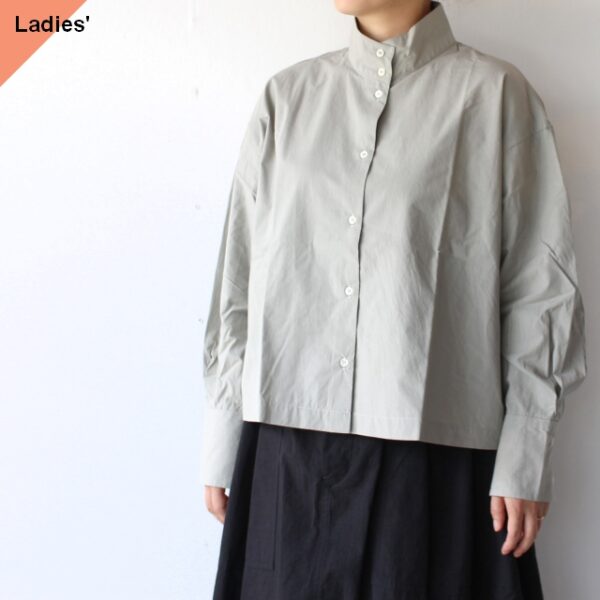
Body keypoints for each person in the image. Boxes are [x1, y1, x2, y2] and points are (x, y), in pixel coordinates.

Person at [201, 1, 588, 598]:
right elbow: (240, 278)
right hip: (286, 447)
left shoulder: (496, 97)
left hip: (434, 451)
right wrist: (225, 432)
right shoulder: (288, 99)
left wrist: (527, 450)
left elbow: (540, 289)